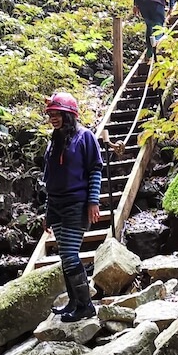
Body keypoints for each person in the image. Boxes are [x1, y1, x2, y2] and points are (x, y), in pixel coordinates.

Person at [43, 92, 103, 323]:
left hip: (76, 204)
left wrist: (93, 201)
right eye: (51, 115)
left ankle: (86, 306)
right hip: (56, 205)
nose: (54, 118)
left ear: (70, 115)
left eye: (58, 114)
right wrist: (48, 213)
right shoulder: (54, 142)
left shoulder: (84, 137)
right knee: (66, 257)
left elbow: (95, 169)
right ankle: (74, 302)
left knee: (69, 254)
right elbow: (50, 180)